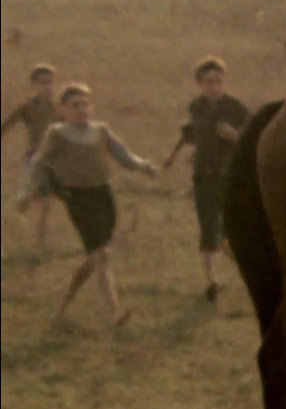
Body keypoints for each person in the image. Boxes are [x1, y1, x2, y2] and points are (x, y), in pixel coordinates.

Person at [17, 84, 160, 327]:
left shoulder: (101, 130)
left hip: (104, 195)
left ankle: (63, 306)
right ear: (63, 109)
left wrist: (144, 166)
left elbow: (123, 154)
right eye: (75, 106)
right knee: (101, 256)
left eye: (85, 104)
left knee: (97, 256)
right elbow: (39, 164)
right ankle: (114, 314)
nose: (82, 110)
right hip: (77, 198)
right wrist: (28, 193)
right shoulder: (57, 134)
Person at [162, 56, 250, 301]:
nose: (214, 86)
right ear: (199, 83)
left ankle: (245, 266)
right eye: (209, 81)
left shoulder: (234, 107)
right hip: (203, 174)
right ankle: (212, 281)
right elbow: (189, 133)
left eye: (218, 81)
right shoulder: (196, 106)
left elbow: (253, 135)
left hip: (230, 175)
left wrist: (235, 136)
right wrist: (172, 155)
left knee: (231, 227)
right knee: (208, 225)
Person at [3, 63, 61, 248]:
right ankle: (13, 225)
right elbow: (6, 126)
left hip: (55, 159)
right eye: (43, 82)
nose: (48, 87)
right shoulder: (27, 107)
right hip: (35, 157)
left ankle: (40, 242)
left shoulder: (60, 107)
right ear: (34, 85)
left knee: (46, 202)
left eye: (50, 82)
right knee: (25, 200)